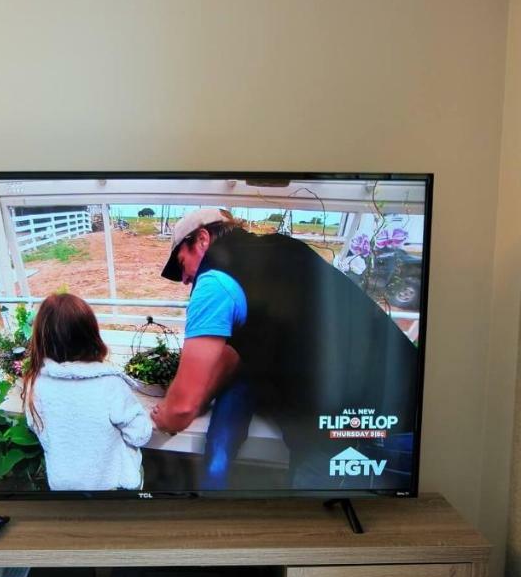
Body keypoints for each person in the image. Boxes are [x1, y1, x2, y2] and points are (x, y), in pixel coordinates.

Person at [152, 208, 420, 490]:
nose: (184, 279)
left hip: (349, 437)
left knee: (313, 529)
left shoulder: (214, 279)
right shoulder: (285, 251)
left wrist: (167, 415)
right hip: (408, 417)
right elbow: (233, 358)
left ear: (203, 239)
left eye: (183, 264)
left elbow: (182, 409)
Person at [21, 293, 152, 491]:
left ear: (41, 338)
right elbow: (139, 436)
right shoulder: (110, 384)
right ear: (91, 333)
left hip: (64, 489)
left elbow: (41, 432)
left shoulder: (34, 385)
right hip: (114, 490)